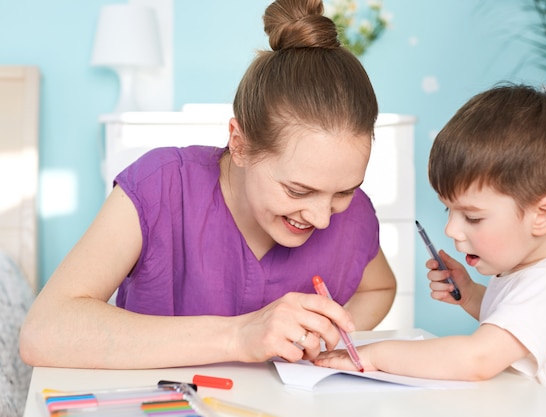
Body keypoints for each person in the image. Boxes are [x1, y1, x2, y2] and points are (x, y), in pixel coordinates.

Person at [19, 0, 396, 369]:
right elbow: (43, 332)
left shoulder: (354, 215)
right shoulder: (160, 186)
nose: (323, 218)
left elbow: (379, 288)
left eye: (345, 190)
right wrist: (239, 336)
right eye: (298, 191)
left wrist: (323, 343)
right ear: (240, 143)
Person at [315, 84, 546, 416]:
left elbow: (478, 358)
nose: (451, 230)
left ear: (542, 216)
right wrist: (470, 295)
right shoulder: (534, 274)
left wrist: (376, 355)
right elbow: (517, 319)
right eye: (449, 211)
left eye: (472, 216)